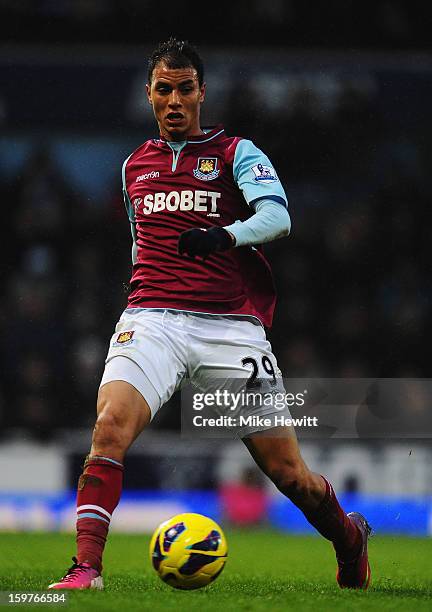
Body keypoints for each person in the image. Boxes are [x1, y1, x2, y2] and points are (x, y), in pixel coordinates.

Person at [48, 38, 371, 590]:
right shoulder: (134, 167)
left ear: (202, 92)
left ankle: (348, 537)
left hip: (228, 329)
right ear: (150, 96)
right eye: (163, 89)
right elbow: (139, 243)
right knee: (108, 430)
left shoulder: (235, 151)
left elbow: (277, 216)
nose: (174, 100)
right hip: (151, 319)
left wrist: (224, 236)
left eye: (185, 89)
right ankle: (86, 569)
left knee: (290, 476)